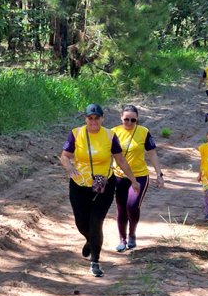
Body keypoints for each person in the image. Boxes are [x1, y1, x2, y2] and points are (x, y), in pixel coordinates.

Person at [59, 103, 140, 277]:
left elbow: (121, 161)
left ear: (102, 118)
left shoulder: (110, 136)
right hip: (79, 185)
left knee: (96, 222)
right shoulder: (76, 134)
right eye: (90, 118)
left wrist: (133, 180)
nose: (94, 121)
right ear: (86, 119)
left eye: (97, 118)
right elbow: (64, 156)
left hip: (104, 185)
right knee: (81, 223)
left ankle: (95, 261)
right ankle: (90, 239)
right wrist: (70, 168)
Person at [111, 105, 164, 251]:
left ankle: (132, 233)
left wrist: (159, 174)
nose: (129, 122)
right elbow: (106, 154)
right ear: (121, 117)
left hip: (139, 176)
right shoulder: (113, 132)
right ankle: (122, 239)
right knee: (121, 208)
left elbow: (152, 153)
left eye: (133, 120)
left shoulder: (143, 132)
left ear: (137, 119)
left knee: (132, 205)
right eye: (126, 119)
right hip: (119, 176)